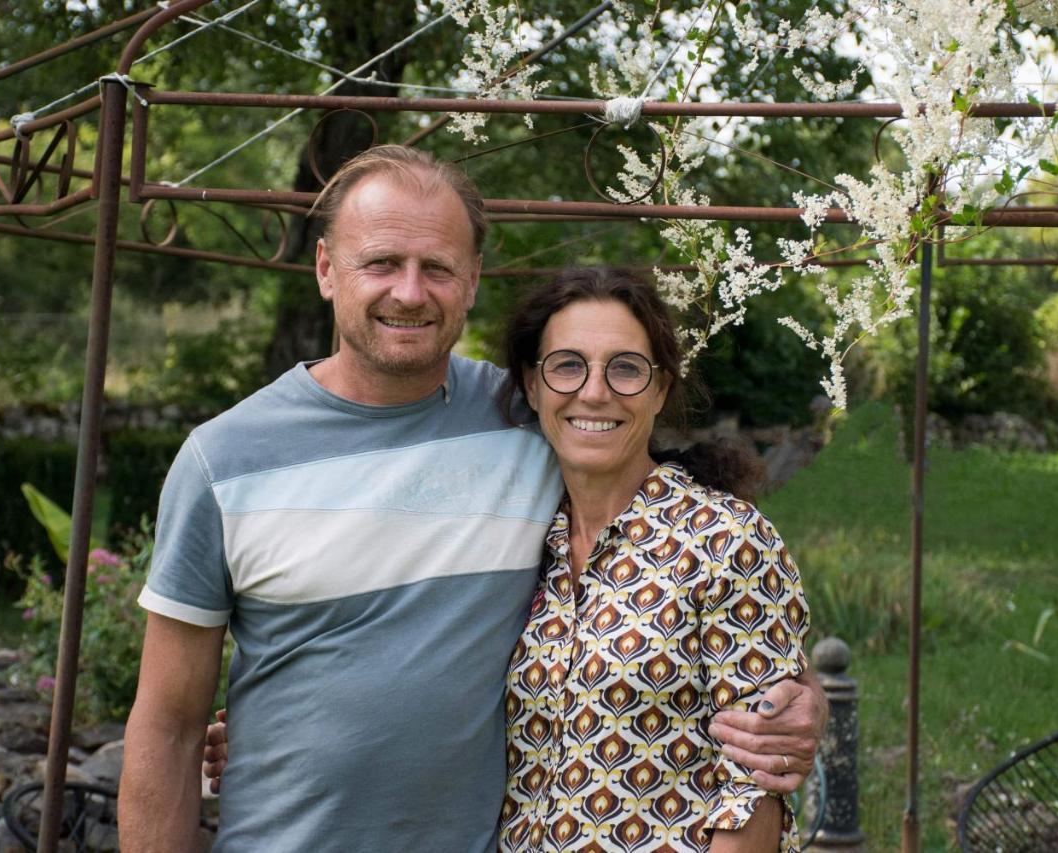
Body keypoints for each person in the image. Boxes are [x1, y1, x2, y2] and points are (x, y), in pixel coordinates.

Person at [119, 145, 824, 853]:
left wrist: (792, 701)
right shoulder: (224, 459)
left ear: (474, 278)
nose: (410, 291)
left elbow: (703, 592)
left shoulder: (527, 420)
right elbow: (169, 727)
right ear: (327, 268)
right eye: (382, 262)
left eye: (438, 268)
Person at [494, 268, 809, 851]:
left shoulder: (725, 540)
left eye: (625, 368)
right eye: (567, 364)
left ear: (660, 389)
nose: (594, 391)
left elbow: (755, 788)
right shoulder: (526, 543)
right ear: (532, 386)